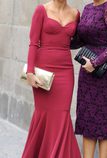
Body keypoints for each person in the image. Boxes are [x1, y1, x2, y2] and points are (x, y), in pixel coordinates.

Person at [21, 0, 81, 158]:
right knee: (44, 114)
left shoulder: (76, 13)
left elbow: (78, 40)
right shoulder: (41, 10)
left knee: (62, 114)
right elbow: (33, 43)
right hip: (43, 71)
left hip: (65, 71)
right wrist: (30, 72)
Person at [71, 0, 107, 158]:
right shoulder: (86, 9)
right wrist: (59, 39)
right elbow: (81, 39)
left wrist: (95, 62)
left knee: (104, 119)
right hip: (87, 69)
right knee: (88, 117)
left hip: (106, 71)